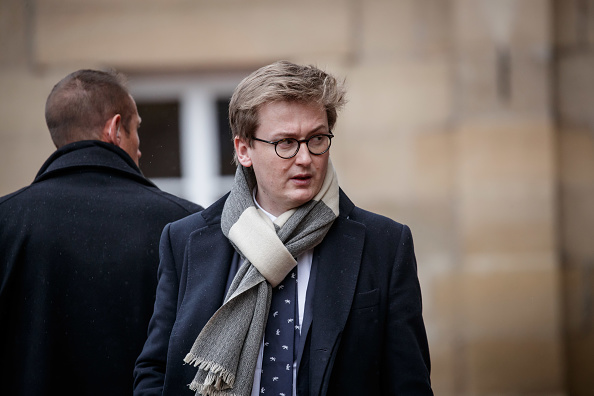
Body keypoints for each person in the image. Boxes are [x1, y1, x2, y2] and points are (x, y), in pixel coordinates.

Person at [133, 60, 433, 396]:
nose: (305, 157)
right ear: (244, 150)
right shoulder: (185, 240)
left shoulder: (385, 244)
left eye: (317, 139)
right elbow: (156, 372)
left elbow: (409, 383)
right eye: (286, 143)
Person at [0, 69, 203, 395]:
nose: (139, 147)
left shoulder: (6, 220)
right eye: (136, 129)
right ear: (115, 129)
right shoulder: (185, 225)